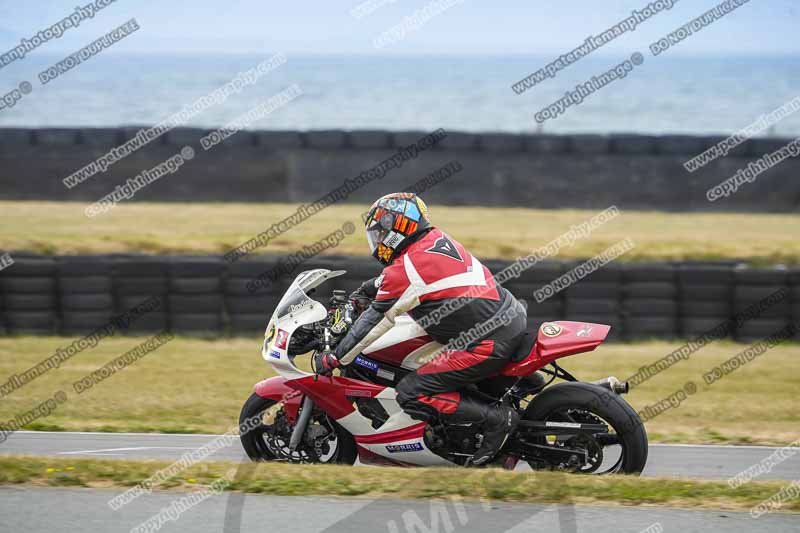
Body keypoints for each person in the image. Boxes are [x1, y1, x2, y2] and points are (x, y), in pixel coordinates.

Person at [315, 192, 527, 465]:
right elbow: (397, 281)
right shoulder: (433, 240)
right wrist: (362, 292)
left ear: (398, 227)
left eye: (380, 233)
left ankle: (498, 420)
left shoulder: (406, 269)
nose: (377, 241)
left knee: (411, 392)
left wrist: (336, 356)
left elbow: (375, 320)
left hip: (486, 344)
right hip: (508, 319)